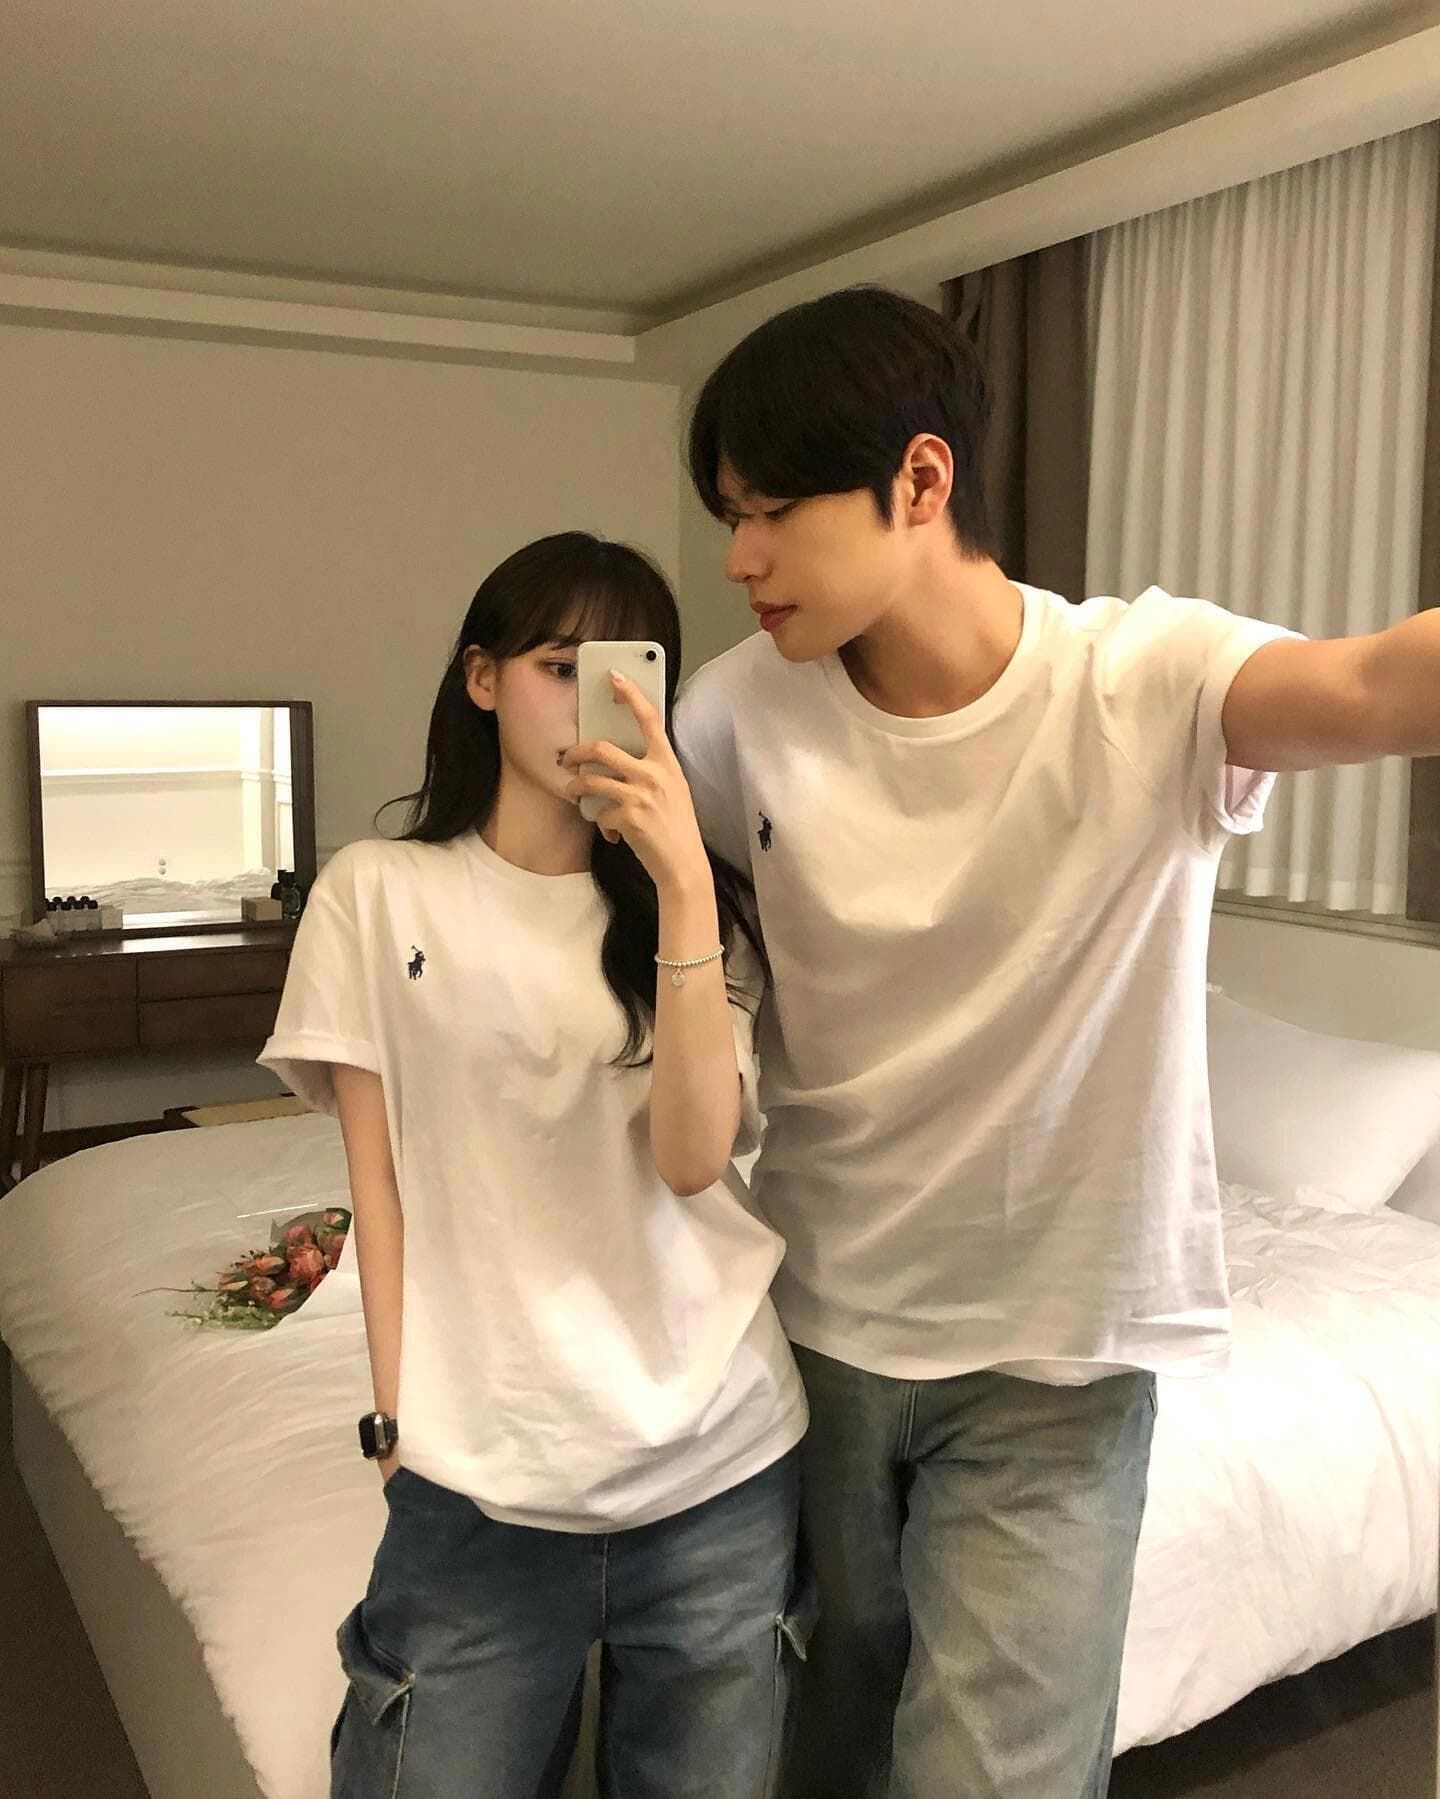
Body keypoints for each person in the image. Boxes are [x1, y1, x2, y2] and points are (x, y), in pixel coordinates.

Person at [672, 284, 1440, 1799]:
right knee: (823, 1737)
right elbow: (663, 954)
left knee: (993, 1773)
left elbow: (1371, 683)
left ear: (921, 478)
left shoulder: (1144, 678)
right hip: (817, 1321)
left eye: (770, 513)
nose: (738, 558)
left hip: (1056, 1355)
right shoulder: (734, 712)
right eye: (728, 518)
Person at [259, 531, 809, 1799]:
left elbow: (693, 1158)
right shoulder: (376, 892)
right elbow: (379, 1182)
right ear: (482, 678)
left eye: (626, 675)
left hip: (721, 1466)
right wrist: (393, 1423)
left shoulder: (698, 905)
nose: (593, 703)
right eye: (561, 667)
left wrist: (681, 883)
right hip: (479, 1491)